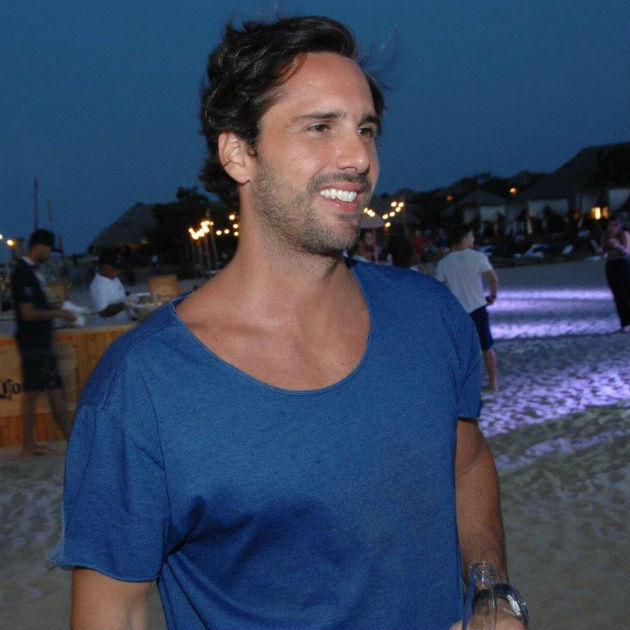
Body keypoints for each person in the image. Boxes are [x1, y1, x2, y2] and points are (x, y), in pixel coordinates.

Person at [52, 16, 527, 630]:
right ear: (238, 153)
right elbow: (112, 612)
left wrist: (490, 592)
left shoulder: (431, 316)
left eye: (366, 129)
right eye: (319, 127)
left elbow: (466, 465)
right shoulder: (142, 387)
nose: (359, 157)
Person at [10, 229, 76, 456]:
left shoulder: (29, 271)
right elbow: (27, 313)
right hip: (34, 342)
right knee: (53, 389)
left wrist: (55, 307)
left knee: (35, 393)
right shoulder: (23, 273)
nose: (49, 254)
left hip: (35, 341)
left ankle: (30, 444)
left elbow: (34, 307)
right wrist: (59, 314)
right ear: (40, 246)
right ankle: (70, 439)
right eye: (48, 249)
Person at [436, 226, 500, 392]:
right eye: (471, 236)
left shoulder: (445, 262)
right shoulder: (478, 257)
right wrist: (492, 296)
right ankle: (493, 383)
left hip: (458, 311)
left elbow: (439, 288)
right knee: (486, 347)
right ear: (464, 238)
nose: (473, 239)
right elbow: (493, 279)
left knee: (462, 351)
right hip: (477, 307)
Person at [598, 215, 630, 331]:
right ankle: (624, 323)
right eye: (610, 225)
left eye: (615, 225)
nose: (612, 227)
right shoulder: (605, 236)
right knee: (618, 295)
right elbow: (605, 254)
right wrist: (601, 252)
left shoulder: (624, 234)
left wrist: (618, 246)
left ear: (619, 225)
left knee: (627, 293)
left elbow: (627, 251)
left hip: (624, 264)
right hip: (611, 264)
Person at [89, 250, 130, 325]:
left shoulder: (113, 277)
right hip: (110, 327)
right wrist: (125, 303)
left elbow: (118, 293)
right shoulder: (99, 285)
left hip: (123, 322)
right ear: (105, 267)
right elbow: (103, 312)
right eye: (116, 268)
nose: (118, 271)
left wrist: (127, 295)